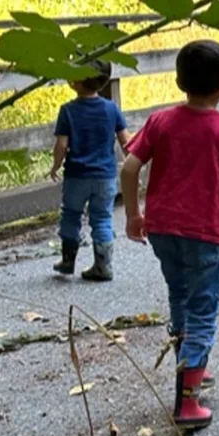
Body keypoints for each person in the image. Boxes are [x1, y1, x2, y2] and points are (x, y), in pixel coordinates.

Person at [121, 39, 219, 431]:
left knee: (180, 296)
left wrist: (133, 215)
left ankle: (192, 366)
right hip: (206, 234)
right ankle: (187, 401)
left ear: (179, 81)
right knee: (203, 309)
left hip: (163, 231)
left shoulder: (160, 121)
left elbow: (129, 167)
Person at [50, 61, 130, 281]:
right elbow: (126, 142)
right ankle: (103, 266)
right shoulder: (112, 109)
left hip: (77, 175)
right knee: (102, 218)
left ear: (76, 80)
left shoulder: (68, 111)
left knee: (71, 215)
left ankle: (68, 261)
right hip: (105, 177)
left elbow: (61, 145)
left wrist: (55, 165)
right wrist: (132, 165)